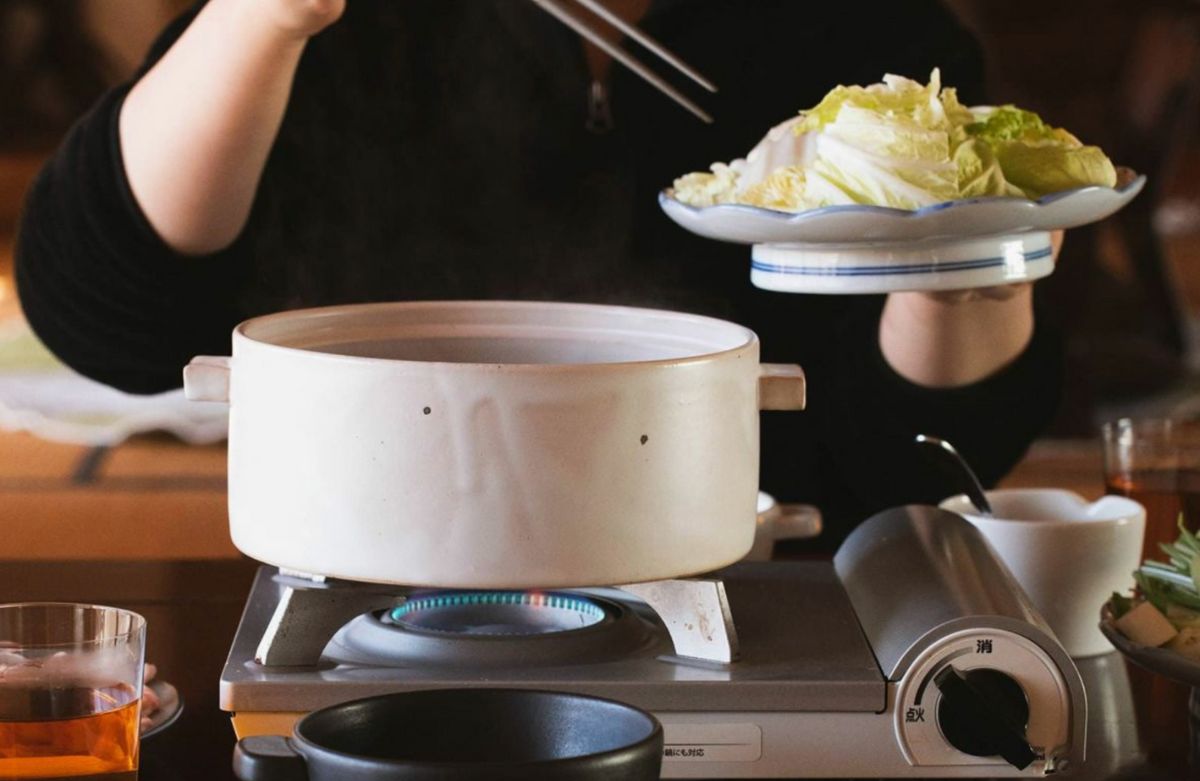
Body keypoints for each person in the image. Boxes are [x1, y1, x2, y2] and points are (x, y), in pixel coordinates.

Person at [15, 0, 1061, 547]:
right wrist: (264, 14)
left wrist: (971, 270)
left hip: (767, 578)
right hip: (372, 576)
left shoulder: (872, 33)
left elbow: (928, 453)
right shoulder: (355, 27)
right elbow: (108, 318)